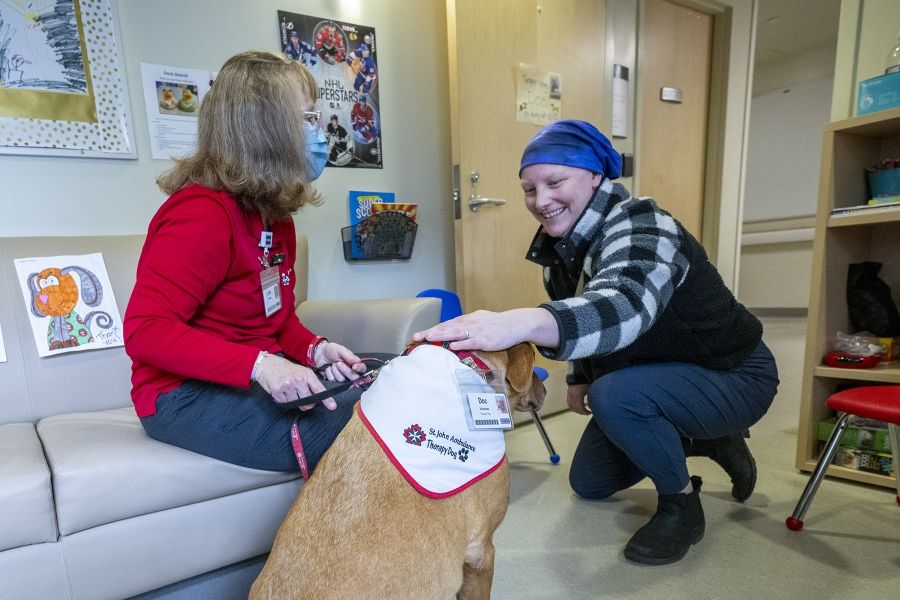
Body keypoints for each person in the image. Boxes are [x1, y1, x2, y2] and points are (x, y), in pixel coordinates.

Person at [413, 119, 778, 565]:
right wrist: (579, 376)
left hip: (733, 374)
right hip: (659, 379)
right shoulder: (559, 255)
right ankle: (705, 438)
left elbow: (622, 306)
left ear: (595, 175)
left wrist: (521, 322)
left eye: (555, 181)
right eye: (529, 189)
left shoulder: (645, 224)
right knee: (589, 481)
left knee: (616, 396)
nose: (540, 200)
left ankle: (682, 504)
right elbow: (585, 315)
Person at [124, 50, 365, 480]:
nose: (318, 132)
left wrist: (316, 349)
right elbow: (145, 331)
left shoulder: (276, 215)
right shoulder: (202, 213)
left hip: (246, 380)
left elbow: (276, 321)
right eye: (307, 119)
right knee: (360, 429)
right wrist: (262, 366)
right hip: (181, 397)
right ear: (265, 129)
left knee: (385, 390)